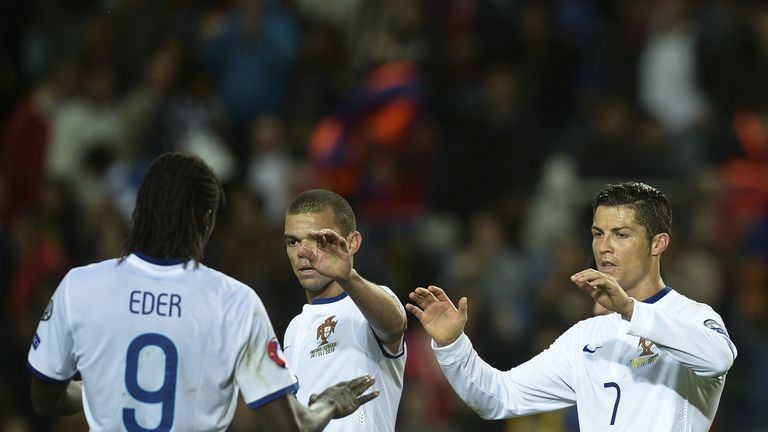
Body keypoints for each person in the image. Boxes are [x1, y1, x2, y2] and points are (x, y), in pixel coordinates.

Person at [26, 152, 378, 431]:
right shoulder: (235, 302)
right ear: (208, 218)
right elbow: (289, 427)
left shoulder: (80, 286)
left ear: (139, 210)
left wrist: (109, 387)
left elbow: (44, 397)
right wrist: (330, 402)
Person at [407, 181, 737, 431]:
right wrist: (452, 345)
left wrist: (631, 310)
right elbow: (499, 396)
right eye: (598, 233)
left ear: (658, 243)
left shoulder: (692, 318)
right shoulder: (586, 336)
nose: (604, 247)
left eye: (621, 234)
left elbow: (718, 359)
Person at [282, 189, 407, 431]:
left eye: (319, 240)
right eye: (293, 241)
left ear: (351, 243)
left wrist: (348, 277)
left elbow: (394, 326)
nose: (302, 252)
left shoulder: (373, 303)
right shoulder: (294, 328)